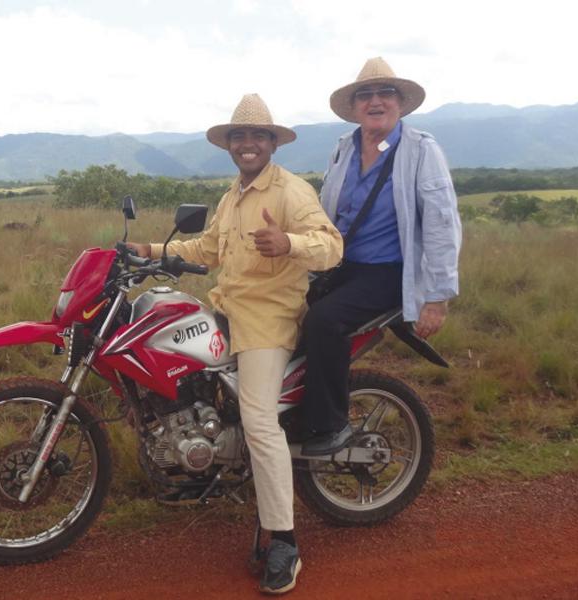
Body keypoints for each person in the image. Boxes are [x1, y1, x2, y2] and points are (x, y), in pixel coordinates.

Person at [128, 93, 342, 595]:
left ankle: (284, 541)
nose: (248, 144)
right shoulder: (233, 196)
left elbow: (332, 246)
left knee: (259, 420)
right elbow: (206, 249)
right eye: (239, 136)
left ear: (272, 143)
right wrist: (149, 251)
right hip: (228, 308)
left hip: (268, 318)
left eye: (257, 136)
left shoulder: (290, 191)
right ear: (229, 145)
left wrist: (289, 243)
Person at [297, 57, 462, 457]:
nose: (375, 101)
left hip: (387, 271)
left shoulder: (420, 150)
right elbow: (327, 210)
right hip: (341, 266)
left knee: (324, 321)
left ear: (399, 102)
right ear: (354, 107)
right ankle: (290, 410)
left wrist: (437, 297)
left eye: (385, 92)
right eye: (365, 95)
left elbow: (441, 222)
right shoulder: (345, 148)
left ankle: (329, 424)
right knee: (284, 312)